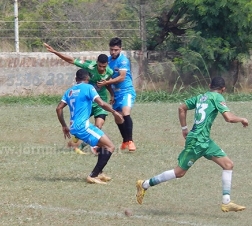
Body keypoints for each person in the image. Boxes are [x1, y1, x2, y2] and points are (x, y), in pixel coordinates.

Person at [136, 76, 248, 212]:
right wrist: (242, 119)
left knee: (228, 164)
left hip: (204, 140)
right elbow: (229, 118)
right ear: (223, 89)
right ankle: (145, 184)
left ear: (209, 85)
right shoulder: (217, 97)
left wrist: (184, 129)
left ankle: (226, 202)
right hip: (197, 141)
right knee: (179, 172)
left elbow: (181, 108)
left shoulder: (201, 97)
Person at [44, 42, 115, 154]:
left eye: (104, 66)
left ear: (107, 64)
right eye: (100, 66)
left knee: (98, 126)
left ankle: (82, 148)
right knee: (80, 123)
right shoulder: (89, 66)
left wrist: (112, 94)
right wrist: (55, 52)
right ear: (96, 63)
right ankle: (77, 140)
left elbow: (107, 84)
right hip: (87, 100)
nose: (102, 68)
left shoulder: (110, 71)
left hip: (100, 100)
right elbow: (71, 60)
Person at [56, 68, 124, 184]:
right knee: (110, 147)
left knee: (103, 145)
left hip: (74, 127)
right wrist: (115, 112)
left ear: (76, 79)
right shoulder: (89, 88)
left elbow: (58, 108)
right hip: (83, 127)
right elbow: (101, 103)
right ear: (87, 78)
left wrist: (64, 126)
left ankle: (100, 172)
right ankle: (93, 175)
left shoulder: (70, 91)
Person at [97, 37, 137, 152]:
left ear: (120, 49)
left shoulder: (123, 60)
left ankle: (130, 141)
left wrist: (107, 82)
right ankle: (125, 141)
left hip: (126, 91)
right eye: (111, 50)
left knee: (125, 113)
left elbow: (121, 77)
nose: (113, 52)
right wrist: (111, 93)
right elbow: (106, 78)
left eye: (116, 50)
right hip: (116, 93)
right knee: (118, 118)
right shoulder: (108, 61)